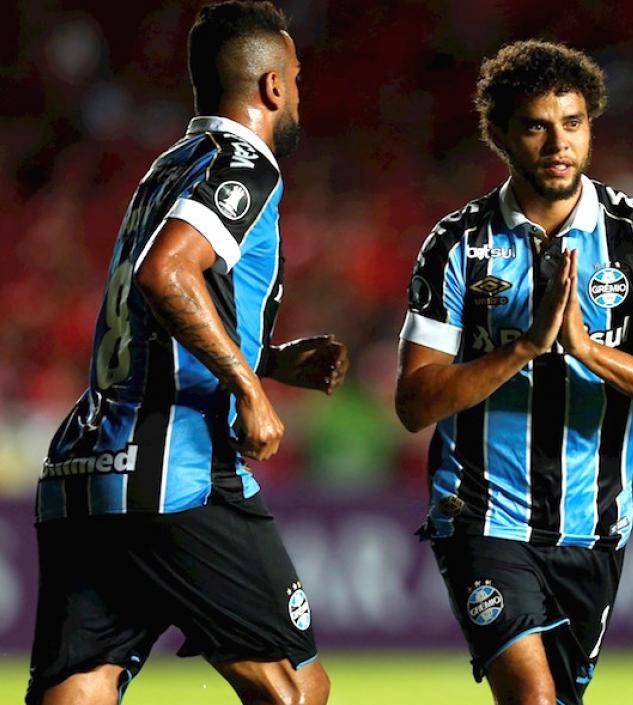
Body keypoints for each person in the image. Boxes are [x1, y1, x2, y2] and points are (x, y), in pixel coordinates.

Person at [27, 3, 347, 704]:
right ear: (270, 87)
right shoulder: (244, 164)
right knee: (295, 685)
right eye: (296, 78)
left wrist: (270, 360)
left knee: (80, 684)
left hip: (87, 462)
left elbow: (154, 307)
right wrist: (250, 390)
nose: (299, 93)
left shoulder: (169, 167)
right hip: (178, 465)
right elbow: (166, 273)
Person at [394, 40, 633, 705]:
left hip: (593, 528)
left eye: (572, 123)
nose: (557, 142)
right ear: (502, 135)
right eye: (536, 125)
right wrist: (522, 348)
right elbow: (415, 401)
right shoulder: (458, 244)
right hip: (481, 516)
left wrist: (589, 351)